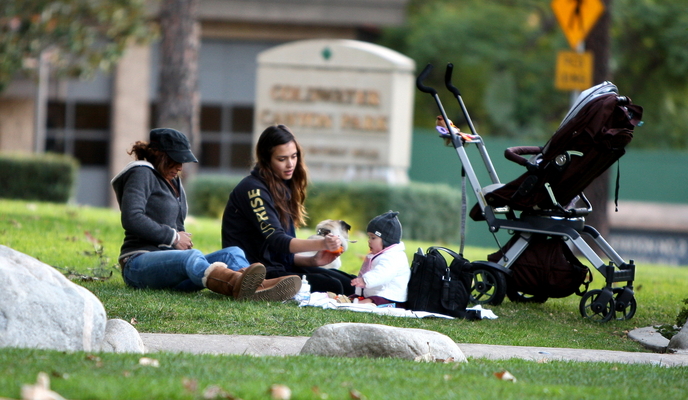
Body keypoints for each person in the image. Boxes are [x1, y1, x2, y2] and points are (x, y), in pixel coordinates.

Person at [112, 127, 301, 301]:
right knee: (191, 257)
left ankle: (256, 288)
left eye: (182, 161)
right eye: (174, 160)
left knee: (233, 253)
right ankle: (239, 285)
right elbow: (132, 217)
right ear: (158, 155)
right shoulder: (142, 173)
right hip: (138, 265)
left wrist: (178, 240)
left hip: (172, 267)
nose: (180, 167)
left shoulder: (173, 182)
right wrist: (174, 237)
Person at [221, 124, 356, 295]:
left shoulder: (282, 186)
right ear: (266, 159)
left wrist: (314, 260)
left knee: (350, 283)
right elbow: (277, 240)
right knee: (334, 285)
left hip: (278, 267)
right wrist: (322, 243)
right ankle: (259, 290)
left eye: (294, 156)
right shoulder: (253, 190)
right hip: (255, 272)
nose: (290, 164)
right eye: (282, 159)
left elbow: (280, 256)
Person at [350, 211, 410, 307]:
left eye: (373, 238)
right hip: (377, 292)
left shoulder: (393, 257)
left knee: (372, 301)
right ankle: (359, 299)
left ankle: (363, 302)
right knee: (362, 298)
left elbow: (382, 273)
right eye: (369, 237)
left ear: (387, 240)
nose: (369, 241)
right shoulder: (381, 254)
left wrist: (365, 281)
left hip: (390, 297)